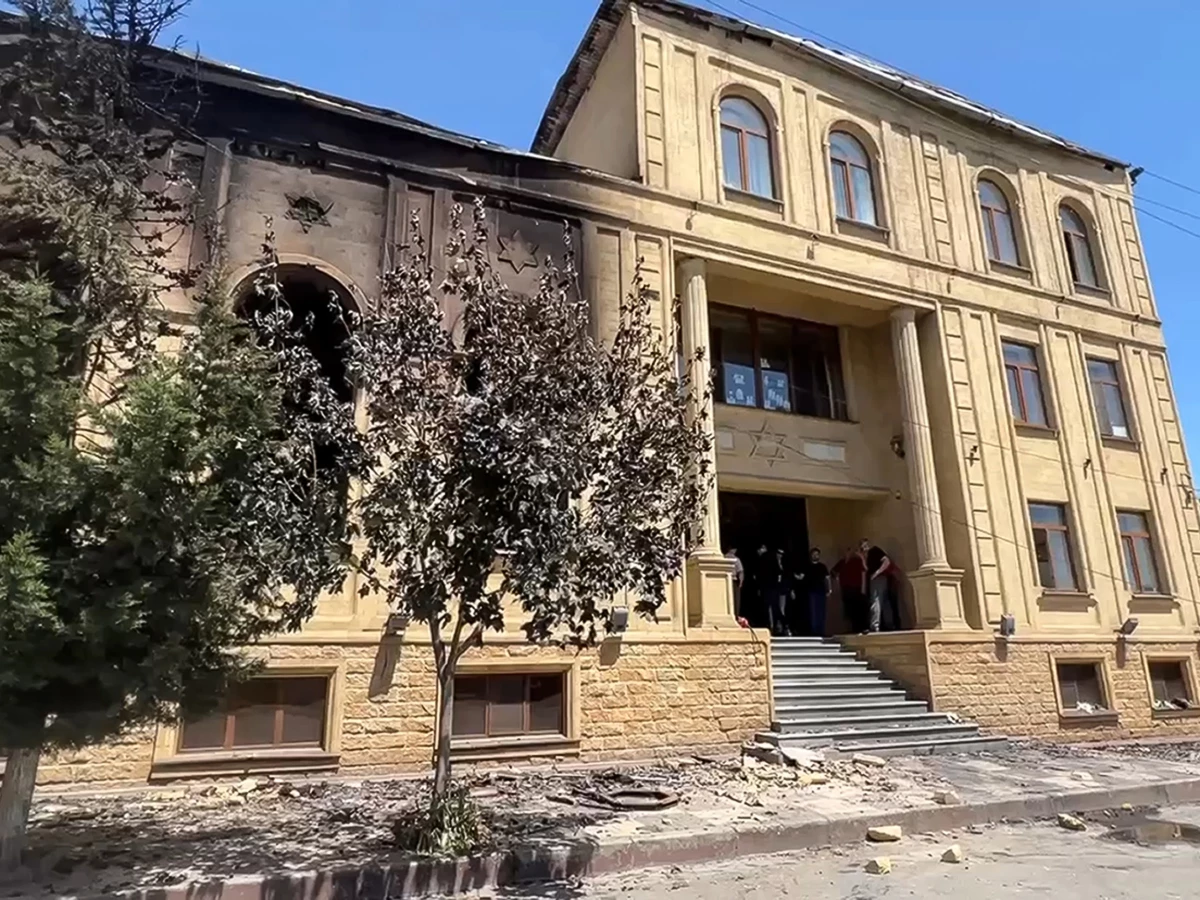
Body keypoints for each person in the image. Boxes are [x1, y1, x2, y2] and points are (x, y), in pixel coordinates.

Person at [832, 545, 867, 633]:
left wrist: (862, 557)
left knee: (859, 609)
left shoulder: (858, 561)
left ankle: (860, 628)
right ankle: (851, 629)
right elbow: (833, 572)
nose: (850, 553)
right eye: (848, 551)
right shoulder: (842, 562)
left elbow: (865, 569)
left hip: (857, 588)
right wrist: (837, 579)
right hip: (846, 589)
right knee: (848, 610)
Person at [798, 547, 830, 637]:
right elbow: (801, 577)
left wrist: (829, 589)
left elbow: (827, 578)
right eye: (814, 554)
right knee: (813, 612)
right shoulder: (807, 566)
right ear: (810, 556)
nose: (815, 556)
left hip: (821, 591)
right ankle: (814, 631)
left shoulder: (822, 566)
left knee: (821, 612)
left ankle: (821, 630)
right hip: (811, 591)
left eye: (817, 554)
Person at [761, 545, 791, 636]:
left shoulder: (785, 564)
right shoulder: (771, 563)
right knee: (773, 609)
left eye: (781, 554)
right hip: (774, 589)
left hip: (782, 590)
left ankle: (784, 627)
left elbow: (787, 576)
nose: (780, 555)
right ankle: (774, 627)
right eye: (778, 553)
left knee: (781, 609)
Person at [863, 539, 892, 634]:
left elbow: (886, 561)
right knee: (883, 601)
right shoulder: (868, 555)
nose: (862, 547)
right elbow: (866, 568)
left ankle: (875, 625)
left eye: (863, 545)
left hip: (878, 579)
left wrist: (877, 573)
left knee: (875, 601)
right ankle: (888, 624)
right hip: (878, 578)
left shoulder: (874, 550)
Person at [725, 546, 745, 618]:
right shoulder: (736, 560)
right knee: (735, 600)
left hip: (724, 580)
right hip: (733, 581)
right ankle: (735, 615)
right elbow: (740, 572)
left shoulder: (723, 558)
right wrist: (741, 582)